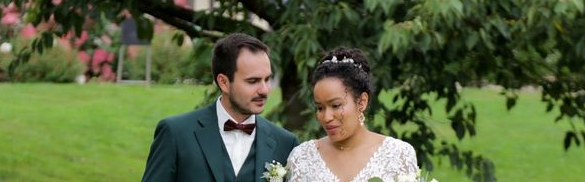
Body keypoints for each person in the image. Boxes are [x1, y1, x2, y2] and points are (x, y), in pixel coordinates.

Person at [141, 33, 299, 182]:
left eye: (267, 79)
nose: (264, 90)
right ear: (223, 82)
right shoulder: (176, 134)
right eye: (253, 81)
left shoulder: (285, 143)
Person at [286, 47, 418, 182]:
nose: (326, 117)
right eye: (320, 108)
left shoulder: (399, 154)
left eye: (336, 105)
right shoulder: (301, 158)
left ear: (361, 102)